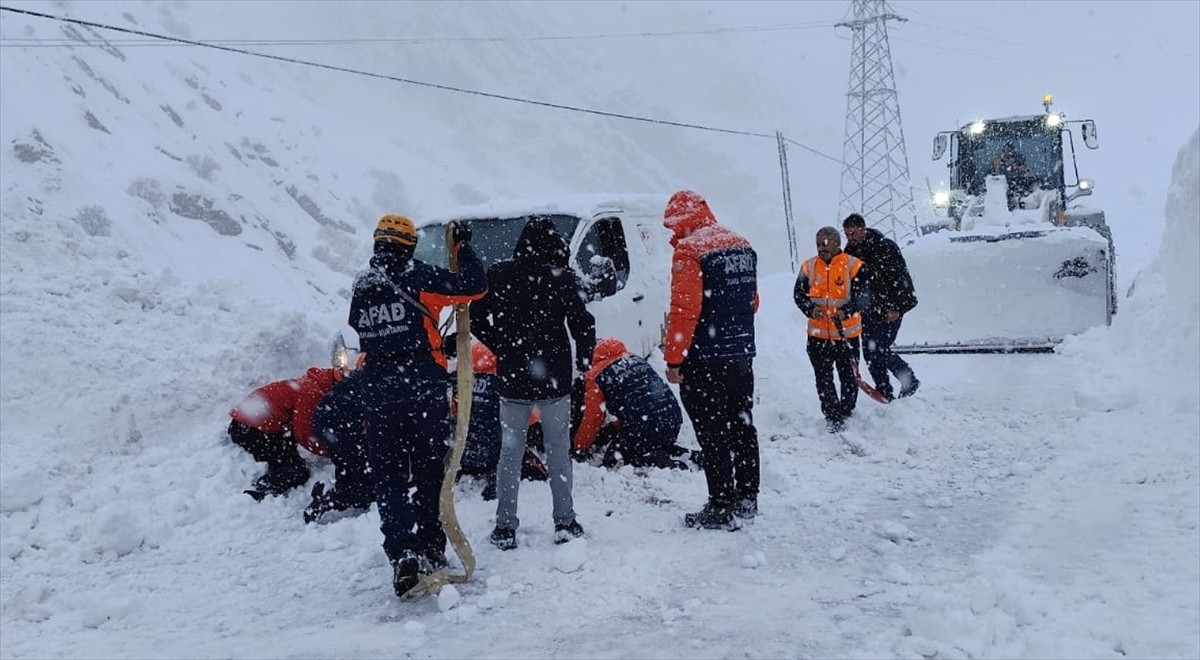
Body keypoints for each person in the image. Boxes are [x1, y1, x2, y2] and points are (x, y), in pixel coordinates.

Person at [348, 213, 485, 598]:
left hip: (377, 395)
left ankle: (402, 554)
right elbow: (473, 288)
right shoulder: (417, 275)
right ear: (408, 245)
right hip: (422, 391)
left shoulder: (362, 284)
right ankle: (430, 548)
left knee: (389, 481)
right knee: (428, 475)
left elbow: (365, 333)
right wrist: (462, 248)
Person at [470, 217, 596, 550]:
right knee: (558, 451)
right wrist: (583, 361)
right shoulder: (562, 277)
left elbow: (476, 317)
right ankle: (565, 521)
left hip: (513, 378)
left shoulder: (498, 274)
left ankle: (505, 527)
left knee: (509, 453)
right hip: (554, 377)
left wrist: (502, 345)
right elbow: (584, 323)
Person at [660, 190, 760, 531]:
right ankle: (748, 497)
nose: (672, 234)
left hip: (704, 359)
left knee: (713, 432)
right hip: (741, 354)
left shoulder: (690, 251)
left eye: (673, 226)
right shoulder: (742, 243)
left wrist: (674, 359)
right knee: (742, 424)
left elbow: (685, 312)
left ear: (681, 220)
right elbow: (753, 302)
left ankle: (720, 505)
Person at [228, 360, 350, 500]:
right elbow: (304, 434)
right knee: (297, 470)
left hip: (254, 426)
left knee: (287, 452)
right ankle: (260, 490)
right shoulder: (311, 393)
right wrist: (332, 452)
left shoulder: (313, 383)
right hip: (250, 431)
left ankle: (276, 470)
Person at [573, 337, 691, 470]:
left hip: (646, 427)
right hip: (672, 421)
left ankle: (660, 461)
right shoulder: (634, 358)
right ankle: (686, 454)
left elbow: (593, 418)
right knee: (655, 441)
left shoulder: (595, 375)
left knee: (613, 459)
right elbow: (639, 403)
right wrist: (615, 427)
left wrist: (579, 447)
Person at [794, 227, 869, 434]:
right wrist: (810, 309)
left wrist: (847, 311)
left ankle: (847, 409)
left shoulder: (853, 266)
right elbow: (798, 295)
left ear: (837, 244)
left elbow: (863, 296)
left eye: (825, 244)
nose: (821, 248)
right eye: (818, 244)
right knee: (823, 377)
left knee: (848, 376)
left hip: (846, 335)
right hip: (817, 336)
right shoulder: (809, 267)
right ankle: (831, 414)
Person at [452, 341, 549, 501]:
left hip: (467, 455)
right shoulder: (508, 384)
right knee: (539, 471)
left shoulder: (461, 382)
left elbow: (454, 412)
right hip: (498, 453)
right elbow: (532, 421)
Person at [842, 214, 920, 401]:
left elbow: (902, 279)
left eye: (853, 232)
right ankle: (884, 389)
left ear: (863, 228)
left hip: (890, 309)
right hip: (868, 310)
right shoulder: (850, 252)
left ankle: (909, 379)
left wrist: (898, 308)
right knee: (870, 352)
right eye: (847, 234)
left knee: (880, 349)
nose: (850, 237)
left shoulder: (885, 246)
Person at [303, 366, 374, 524]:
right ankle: (330, 500)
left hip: (326, 422)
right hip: (342, 426)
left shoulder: (366, 372)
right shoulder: (384, 379)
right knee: (370, 482)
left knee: (347, 469)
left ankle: (337, 492)